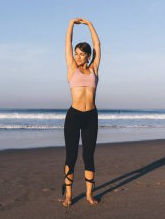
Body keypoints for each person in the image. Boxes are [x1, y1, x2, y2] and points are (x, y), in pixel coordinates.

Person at [61, 18, 101, 207]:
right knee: (71, 156)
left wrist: (89, 24)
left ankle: (88, 195)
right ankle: (68, 195)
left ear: (88, 56)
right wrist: (71, 24)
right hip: (74, 116)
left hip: (91, 117)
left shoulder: (94, 69)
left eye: (81, 54)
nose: (77, 56)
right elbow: (67, 42)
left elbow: (98, 44)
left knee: (88, 156)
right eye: (76, 53)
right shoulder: (71, 69)